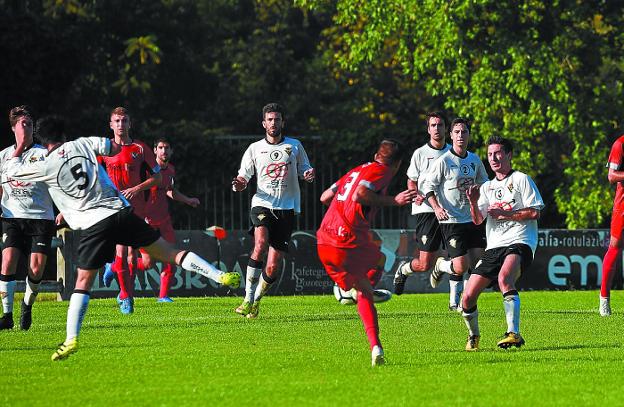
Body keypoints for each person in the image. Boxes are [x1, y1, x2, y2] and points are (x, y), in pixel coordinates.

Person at [4, 115, 240, 361]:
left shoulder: (43, 165)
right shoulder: (83, 143)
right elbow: (115, 147)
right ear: (64, 135)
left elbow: (11, 171)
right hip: (120, 211)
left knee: (82, 282)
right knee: (170, 253)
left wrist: (21, 145)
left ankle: (71, 339)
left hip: (93, 223)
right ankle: (218, 275)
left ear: (42, 139)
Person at [317, 139, 417, 366]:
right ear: (398, 164)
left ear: (375, 154)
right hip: (346, 241)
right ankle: (374, 343)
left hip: (324, 239)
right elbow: (360, 195)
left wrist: (341, 214)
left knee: (376, 260)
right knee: (378, 268)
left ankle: (352, 293)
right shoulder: (381, 171)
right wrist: (395, 200)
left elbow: (324, 197)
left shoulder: (357, 169)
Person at [232, 103, 314, 319]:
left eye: (277, 119)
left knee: (273, 266)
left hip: (286, 208)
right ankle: (247, 299)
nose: (273, 123)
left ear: (282, 123)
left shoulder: (294, 146)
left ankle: (257, 300)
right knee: (260, 244)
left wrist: (307, 174)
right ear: (263, 123)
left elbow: (305, 168)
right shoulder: (254, 148)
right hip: (262, 204)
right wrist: (239, 184)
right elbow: (243, 176)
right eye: (269, 119)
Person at [463, 136, 544, 351]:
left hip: (520, 241)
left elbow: (535, 212)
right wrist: (472, 201)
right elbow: (478, 219)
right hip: (494, 246)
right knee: (467, 297)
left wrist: (505, 214)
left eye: (498, 153)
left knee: (504, 278)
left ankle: (513, 333)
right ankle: (474, 336)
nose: (493, 158)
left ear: (508, 155)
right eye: (490, 154)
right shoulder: (487, 187)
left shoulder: (521, 179)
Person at [98, 107, 162, 314]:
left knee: (133, 258)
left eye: (124, 121)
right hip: (114, 207)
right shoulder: (104, 150)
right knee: (122, 250)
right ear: (111, 124)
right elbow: (94, 176)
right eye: (116, 121)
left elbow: (157, 178)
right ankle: (126, 296)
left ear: (129, 123)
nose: (120, 125)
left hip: (137, 207)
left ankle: (114, 271)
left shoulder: (140, 148)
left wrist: (136, 188)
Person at [422, 118, 489, 311]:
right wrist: (436, 208)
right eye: (457, 132)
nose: (460, 135)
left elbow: (485, 183)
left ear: (469, 135)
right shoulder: (444, 161)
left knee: (477, 261)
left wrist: (481, 198)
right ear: (451, 135)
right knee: (460, 265)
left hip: (472, 217)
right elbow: (428, 186)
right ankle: (441, 266)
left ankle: (457, 303)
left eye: (464, 132)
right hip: (451, 220)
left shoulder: (475, 160)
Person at [0, 106, 57, 330]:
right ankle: (7, 315)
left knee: (36, 269)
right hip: (11, 217)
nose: (28, 128)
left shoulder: (43, 154)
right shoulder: (3, 156)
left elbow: (57, 184)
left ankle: (27, 304)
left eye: (30, 124)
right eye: (23, 124)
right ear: (13, 128)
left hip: (40, 219)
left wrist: (64, 208)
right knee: (7, 261)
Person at [393, 112, 450, 295]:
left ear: (446, 129)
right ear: (428, 129)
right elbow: (412, 180)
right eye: (433, 125)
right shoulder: (420, 153)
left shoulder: (453, 152)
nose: (436, 128)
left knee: (459, 255)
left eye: (440, 125)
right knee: (425, 264)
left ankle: (455, 302)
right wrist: (416, 193)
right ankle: (404, 269)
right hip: (426, 210)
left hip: (451, 210)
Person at [144, 138, 200, 302]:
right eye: (160, 147)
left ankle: (163, 296)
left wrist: (187, 200)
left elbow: (169, 191)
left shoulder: (171, 171)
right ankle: (115, 267)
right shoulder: (146, 169)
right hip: (146, 221)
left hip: (164, 221)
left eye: (167, 148)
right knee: (148, 263)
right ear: (155, 150)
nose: (164, 151)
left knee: (171, 257)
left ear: (171, 151)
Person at [599, 133, 624, 316]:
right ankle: (604, 300)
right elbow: (611, 176)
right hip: (623, 206)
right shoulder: (620, 144)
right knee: (615, 248)